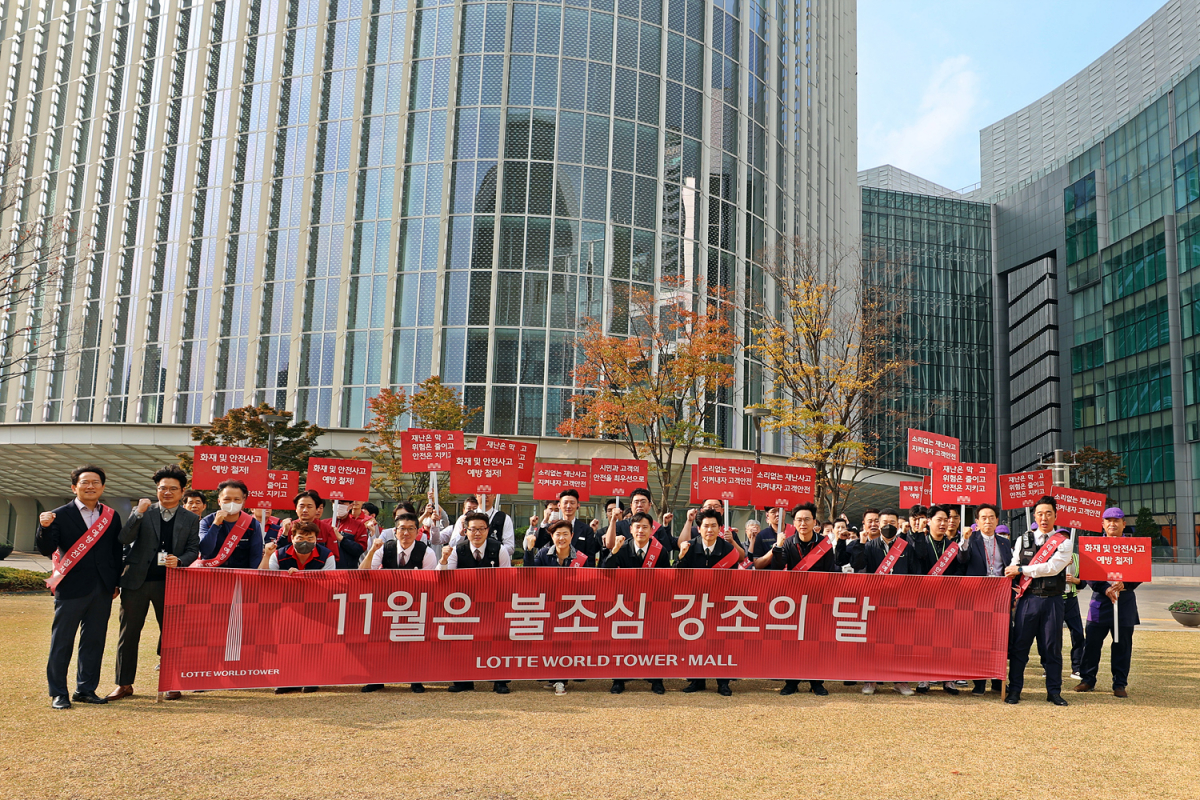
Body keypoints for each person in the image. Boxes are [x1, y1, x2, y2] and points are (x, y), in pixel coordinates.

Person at [108, 465, 200, 703]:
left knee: (171, 635)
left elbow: (193, 549)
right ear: (156, 489)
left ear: (182, 492)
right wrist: (138, 513)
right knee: (128, 634)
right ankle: (123, 684)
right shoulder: (144, 511)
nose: (167, 492)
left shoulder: (191, 518)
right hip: (135, 582)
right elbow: (124, 538)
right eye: (162, 488)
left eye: (173, 489)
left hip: (170, 583)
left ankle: (171, 682)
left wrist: (180, 560)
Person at [36, 465, 124, 709]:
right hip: (71, 587)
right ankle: (58, 693)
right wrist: (44, 528)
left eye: (96, 482)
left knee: (94, 641)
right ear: (74, 487)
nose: (90, 486)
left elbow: (116, 552)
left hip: (102, 588)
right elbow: (46, 549)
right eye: (85, 482)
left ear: (103, 487)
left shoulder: (111, 516)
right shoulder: (58, 515)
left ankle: (85, 689)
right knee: (62, 642)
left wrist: (115, 582)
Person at [756, 502, 833, 697]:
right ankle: (791, 681)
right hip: (794, 601)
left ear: (814, 522)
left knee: (816, 642)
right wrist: (778, 547)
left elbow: (830, 572)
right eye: (799, 520)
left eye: (807, 519)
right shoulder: (788, 542)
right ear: (794, 523)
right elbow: (777, 568)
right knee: (792, 642)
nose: (803, 523)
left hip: (817, 600)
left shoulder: (825, 544)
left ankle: (816, 682)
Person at [1004, 495, 1073, 706]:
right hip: (1028, 600)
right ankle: (1014, 690)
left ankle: (1054, 692)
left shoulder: (1064, 542)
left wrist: (1022, 569)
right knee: (1020, 648)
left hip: (1053, 602)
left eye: (1048, 514)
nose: (1044, 518)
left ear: (1056, 516)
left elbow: (1052, 568)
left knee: (1052, 648)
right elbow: (1013, 565)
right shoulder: (1022, 539)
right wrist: (1016, 570)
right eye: (1040, 514)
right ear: (1034, 516)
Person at [358, 512, 436, 695]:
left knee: (414, 643)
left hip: (415, 605)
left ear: (417, 531)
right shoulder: (385, 548)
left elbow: (431, 583)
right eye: (402, 529)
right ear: (395, 531)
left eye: (411, 529)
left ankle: (415, 679)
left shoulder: (427, 552)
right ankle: (377, 679)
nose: (406, 533)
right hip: (385, 604)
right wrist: (372, 551)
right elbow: (362, 573)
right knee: (380, 642)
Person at [438, 512, 511, 694]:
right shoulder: (457, 550)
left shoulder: (499, 549)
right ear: (465, 531)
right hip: (464, 606)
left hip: (492, 604)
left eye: (481, 529)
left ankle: (500, 681)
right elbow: (442, 578)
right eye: (473, 529)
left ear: (488, 530)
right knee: (462, 642)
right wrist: (443, 560)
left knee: (497, 641)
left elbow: (507, 579)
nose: (477, 533)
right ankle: (463, 680)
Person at [1075, 507, 1141, 698]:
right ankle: (1088, 680)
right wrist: (1105, 588)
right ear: (1102, 524)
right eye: (1108, 520)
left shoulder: (1134, 547)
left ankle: (1119, 683)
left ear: (1123, 524)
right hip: (1100, 602)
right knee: (1092, 643)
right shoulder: (1094, 546)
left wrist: (1125, 583)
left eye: (1116, 520)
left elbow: (1140, 571)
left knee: (1122, 645)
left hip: (1125, 601)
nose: (1112, 524)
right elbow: (1089, 574)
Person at [601, 511, 668, 695]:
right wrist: (614, 551)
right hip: (626, 604)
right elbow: (606, 571)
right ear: (631, 529)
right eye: (637, 527)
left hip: (652, 604)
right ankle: (618, 680)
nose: (641, 531)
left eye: (645, 527)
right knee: (622, 642)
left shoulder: (660, 551)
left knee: (654, 642)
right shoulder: (622, 548)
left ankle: (656, 680)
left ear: (651, 530)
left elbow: (667, 578)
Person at [846, 520, 916, 697]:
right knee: (873, 641)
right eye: (884, 522)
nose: (888, 526)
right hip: (875, 601)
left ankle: (900, 680)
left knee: (900, 642)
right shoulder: (869, 546)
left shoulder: (906, 546)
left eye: (892, 522)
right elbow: (858, 565)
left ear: (897, 524)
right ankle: (871, 679)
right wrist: (861, 543)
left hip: (900, 601)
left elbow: (914, 571)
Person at [676, 508, 739, 696]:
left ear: (720, 528)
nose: (709, 530)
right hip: (694, 603)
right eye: (706, 526)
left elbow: (734, 579)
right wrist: (680, 557)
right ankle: (697, 680)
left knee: (721, 642)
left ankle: (723, 682)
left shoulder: (728, 550)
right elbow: (677, 576)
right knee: (695, 641)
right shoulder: (689, 546)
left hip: (720, 603)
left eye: (714, 526)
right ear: (699, 528)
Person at [957, 502, 1011, 695]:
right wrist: (964, 541)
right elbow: (962, 559)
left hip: (999, 596)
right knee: (978, 640)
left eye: (991, 518)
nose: (988, 521)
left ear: (997, 521)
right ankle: (979, 682)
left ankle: (997, 681)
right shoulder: (970, 539)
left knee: (999, 639)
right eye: (983, 518)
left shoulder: (1004, 542)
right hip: (977, 596)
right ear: (977, 521)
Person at [197, 480, 263, 569]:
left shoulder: (252, 524)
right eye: (227, 499)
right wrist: (215, 525)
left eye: (237, 499)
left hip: (240, 574)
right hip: (212, 572)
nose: (232, 503)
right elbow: (205, 550)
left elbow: (256, 556)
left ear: (243, 501)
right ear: (219, 501)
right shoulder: (207, 522)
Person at [600, 487, 679, 560]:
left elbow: (665, 550)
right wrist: (613, 520)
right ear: (631, 505)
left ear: (649, 505)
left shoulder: (657, 528)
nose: (639, 505)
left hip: (650, 568)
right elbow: (609, 545)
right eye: (636, 502)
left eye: (643, 502)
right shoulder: (620, 526)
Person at [524, 489, 598, 564]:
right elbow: (539, 543)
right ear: (559, 505)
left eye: (572, 503)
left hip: (577, 568)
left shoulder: (586, 529)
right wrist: (545, 521)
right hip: (555, 566)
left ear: (578, 505)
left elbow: (590, 556)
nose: (568, 506)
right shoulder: (553, 526)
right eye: (565, 503)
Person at [260, 521, 336, 572]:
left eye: (310, 539)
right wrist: (267, 555)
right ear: (292, 538)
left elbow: (327, 582)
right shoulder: (278, 555)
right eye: (300, 538)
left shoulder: (326, 556)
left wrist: (299, 577)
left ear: (316, 539)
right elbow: (264, 578)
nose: (305, 542)